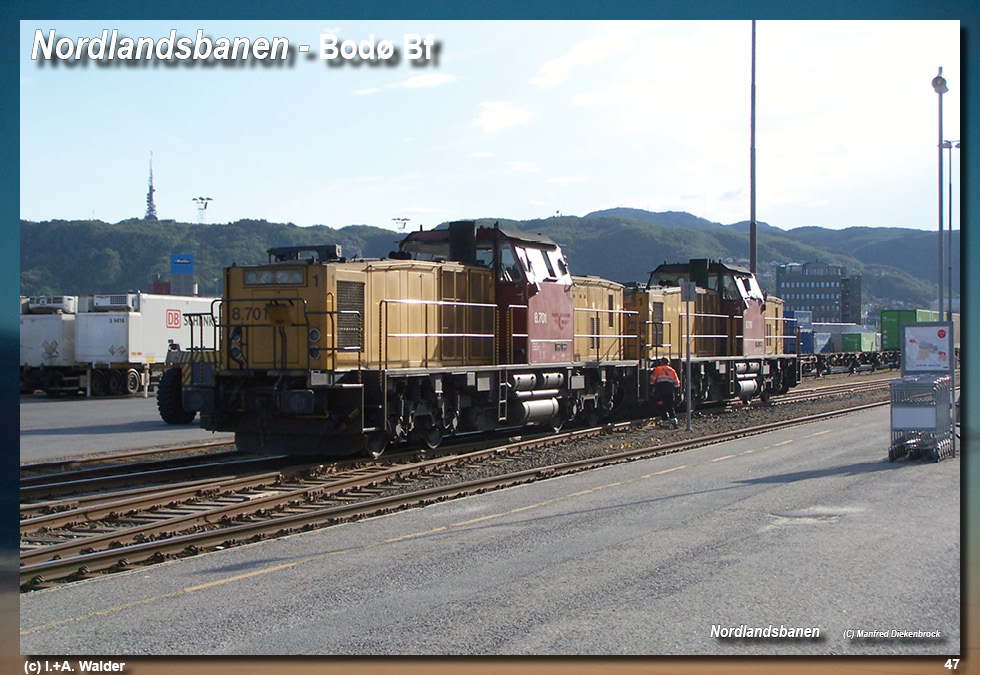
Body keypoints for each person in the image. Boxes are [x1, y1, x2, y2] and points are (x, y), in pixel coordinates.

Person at [650, 357, 681, 428]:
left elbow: (652, 380)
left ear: (661, 362)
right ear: (669, 363)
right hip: (670, 392)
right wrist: (676, 392)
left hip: (661, 392)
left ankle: (666, 423)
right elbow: (677, 383)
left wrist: (652, 389)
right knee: (670, 406)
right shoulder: (672, 370)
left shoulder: (658, 369)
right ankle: (674, 421)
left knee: (662, 407)